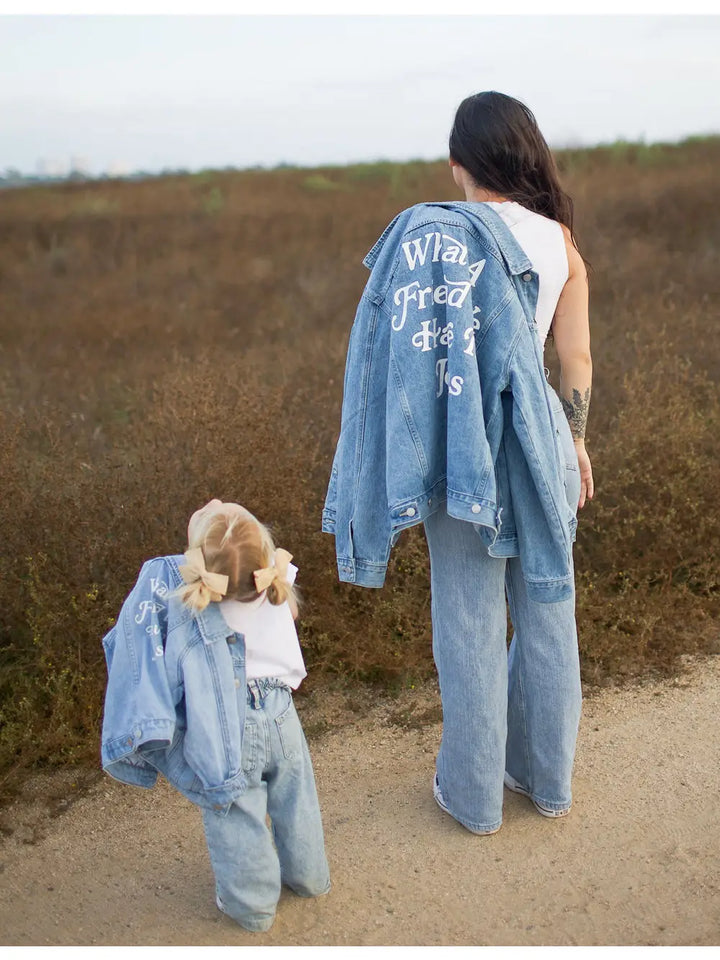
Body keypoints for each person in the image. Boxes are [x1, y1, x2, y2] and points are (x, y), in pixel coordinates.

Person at [323, 91, 593, 835]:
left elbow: (406, 357)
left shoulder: (428, 241)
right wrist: (575, 442)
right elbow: (574, 358)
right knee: (548, 612)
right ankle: (546, 782)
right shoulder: (559, 242)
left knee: (468, 622)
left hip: (462, 445)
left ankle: (473, 799)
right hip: (540, 439)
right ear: (526, 153)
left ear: (458, 168)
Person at [101, 499, 330, 932]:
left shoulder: (199, 602)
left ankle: (253, 906)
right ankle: (310, 877)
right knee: (296, 797)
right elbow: (289, 610)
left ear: (198, 564)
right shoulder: (275, 579)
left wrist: (199, 532)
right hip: (282, 713)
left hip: (228, 718)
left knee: (235, 807)